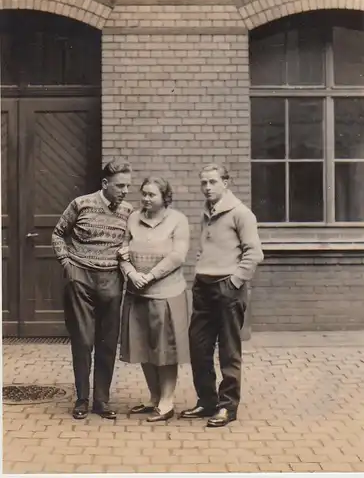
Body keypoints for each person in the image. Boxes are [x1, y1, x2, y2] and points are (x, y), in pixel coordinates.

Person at [180, 163, 264, 427]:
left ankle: (228, 407)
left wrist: (234, 281)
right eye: (203, 183)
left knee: (229, 351)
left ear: (226, 183)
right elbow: (207, 249)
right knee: (199, 348)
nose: (207, 187)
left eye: (213, 182)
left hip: (228, 289)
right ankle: (207, 402)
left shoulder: (241, 214)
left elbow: (254, 254)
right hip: (203, 288)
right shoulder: (207, 212)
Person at [51, 159, 133, 420]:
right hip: (81, 278)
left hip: (111, 280)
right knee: (83, 341)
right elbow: (57, 233)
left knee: (107, 343)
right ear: (105, 184)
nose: (125, 191)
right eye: (120, 186)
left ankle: (102, 401)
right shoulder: (81, 204)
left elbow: (133, 243)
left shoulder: (129, 212)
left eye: (128, 186)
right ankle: (82, 399)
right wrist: (68, 265)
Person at [118, 176, 190, 423]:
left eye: (152, 195)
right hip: (137, 294)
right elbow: (122, 250)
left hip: (166, 294)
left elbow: (178, 256)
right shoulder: (132, 218)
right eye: (144, 194)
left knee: (165, 349)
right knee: (143, 346)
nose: (146, 199)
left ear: (164, 198)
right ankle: (154, 396)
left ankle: (167, 402)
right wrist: (130, 273)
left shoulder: (177, 220)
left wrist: (149, 276)